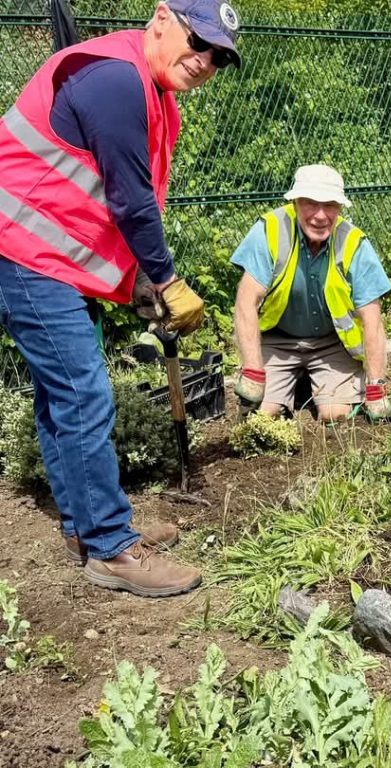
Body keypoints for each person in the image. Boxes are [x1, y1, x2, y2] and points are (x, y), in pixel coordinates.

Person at [0, 0, 241, 598]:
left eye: (217, 56)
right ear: (161, 17)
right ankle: (110, 548)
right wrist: (164, 281)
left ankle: (86, 527)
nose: (205, 60)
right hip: (20, 251)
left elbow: (109, 204)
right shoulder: (114, 80)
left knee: (65, 395)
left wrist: (133, 281)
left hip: (42, 256)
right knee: (84, 392)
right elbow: (132, 203)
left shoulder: (151, 92)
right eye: (198, 40)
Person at [230, 164, 391, 423]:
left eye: (329, 205)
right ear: (295, 202)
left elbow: (372, 321)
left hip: (331, 344)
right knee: (262, 416)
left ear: (340, 208)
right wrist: (253, 370)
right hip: (277, 342)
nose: (320, 215)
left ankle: (307, 385)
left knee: (336, 417)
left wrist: (376, 387)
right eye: (310, 203)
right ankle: (291, 385)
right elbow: (245, 302)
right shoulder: (271, 230)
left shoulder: (353, 243)